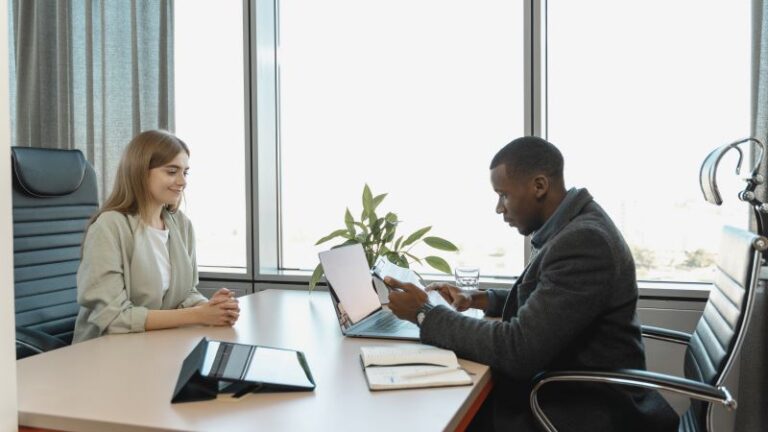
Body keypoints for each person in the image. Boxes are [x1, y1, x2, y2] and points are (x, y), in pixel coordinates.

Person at [386, 136, 678, 431]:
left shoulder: (585, 240)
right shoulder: (573, 226)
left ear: (539, 186)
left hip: (588, 409)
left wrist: (424, 314)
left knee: (435, 416)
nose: (499, 208)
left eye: (503, 195)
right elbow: (549, 297)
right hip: (570, 391)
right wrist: (479, 298)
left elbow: (518, 350)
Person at [73, 130, 240, 343]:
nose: (182, 182)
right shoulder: (109, 227)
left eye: (185, 172)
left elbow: (186, 294)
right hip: (105, 352)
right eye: (172, 172)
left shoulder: (181, 225)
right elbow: (114, 318)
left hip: (155, 345)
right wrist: (199, 315)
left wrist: (211, 307)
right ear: (140, 172)